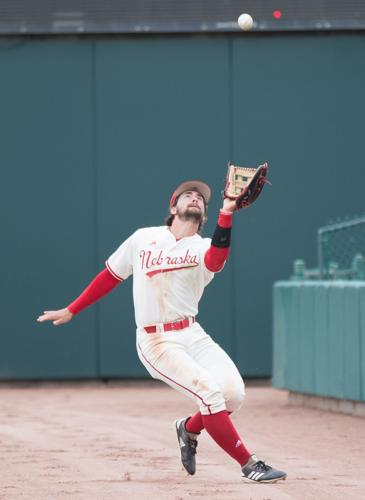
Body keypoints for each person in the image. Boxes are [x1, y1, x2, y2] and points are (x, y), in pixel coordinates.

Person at [37, 179, 287, 484]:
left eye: (200, 198)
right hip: (156, 340)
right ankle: (249, 464)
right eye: (187, 195)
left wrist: (227, 213)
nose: (194, 198)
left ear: (205, 214)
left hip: (192, 333)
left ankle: (189, 429)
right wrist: (72, 308)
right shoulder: (144, 238)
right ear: (173, 207)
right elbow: (111, 275)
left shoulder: (204, 246)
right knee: (209, 392)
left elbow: (217, 259)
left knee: (232, 395)